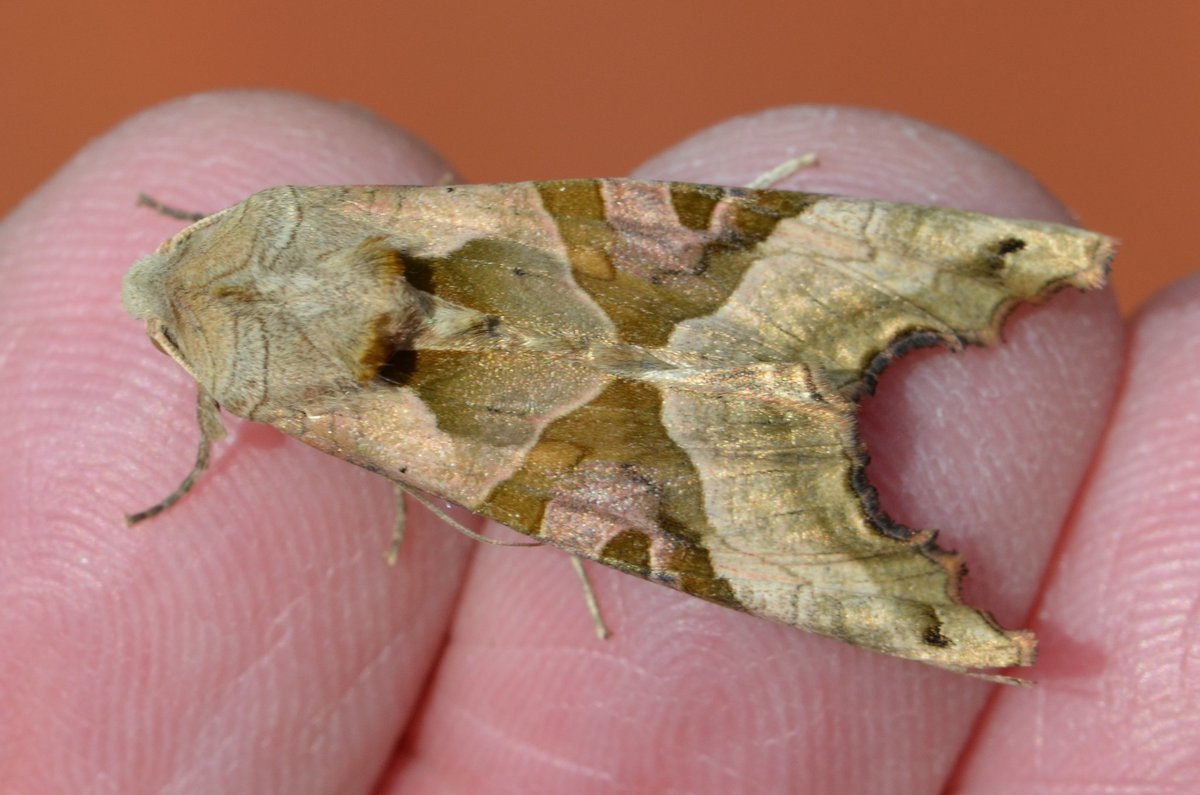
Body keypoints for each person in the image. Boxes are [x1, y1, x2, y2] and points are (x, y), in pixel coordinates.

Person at [1, 91, 1194, 793]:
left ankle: (925, 573)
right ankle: (969, 279)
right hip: (564, 260)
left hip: (527, 448)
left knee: (582, 489)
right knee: (641, 244)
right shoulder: (313, 227)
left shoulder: (284, 398)